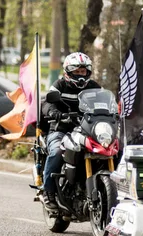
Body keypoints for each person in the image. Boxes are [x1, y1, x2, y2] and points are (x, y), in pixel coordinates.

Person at [40, 52, 101, 210]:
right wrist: (53, 112)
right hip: (61, 129)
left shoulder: (94, 87)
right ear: (68, 72)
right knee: (56, 152)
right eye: (76, 72)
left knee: (109, 150)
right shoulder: (59, 85)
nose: (80, 75)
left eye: (83, 71)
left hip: (86, 130)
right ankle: (48, 192)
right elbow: (47, 103)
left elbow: (105, 103)